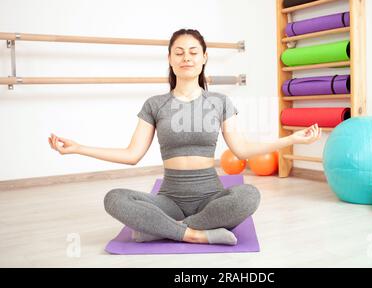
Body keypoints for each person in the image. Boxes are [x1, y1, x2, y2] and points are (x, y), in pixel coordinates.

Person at [48, 28, 322, 245]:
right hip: (169, 200)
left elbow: (242, 149)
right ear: (169, 59)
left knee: (249, 195)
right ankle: (195, 233)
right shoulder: (155, 104)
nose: (186, 58)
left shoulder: (220, 101)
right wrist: (78, 148)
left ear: (204, 58)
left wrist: (292, 140)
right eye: (178, 53)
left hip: (210, 197)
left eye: (193, 52)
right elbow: (131, 155)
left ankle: (162, 231)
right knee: (114, 197)